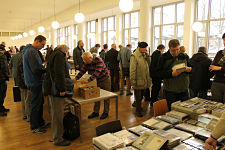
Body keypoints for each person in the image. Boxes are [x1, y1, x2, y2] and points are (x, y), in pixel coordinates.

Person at [44, 45, 71, 146]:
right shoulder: (59, 56)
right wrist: (62, 89)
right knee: (58, 115)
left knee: (56, 114)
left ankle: (57, 135)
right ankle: (58, 139)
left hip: (51, 88)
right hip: (56, 90)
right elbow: (59, 73)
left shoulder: (53, 54)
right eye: (67, 52)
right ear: (64, 51)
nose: (67, 54)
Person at [23, 35, 49, 133]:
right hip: (34, 81)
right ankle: (34, 126)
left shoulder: (31, 51)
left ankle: (40, 122)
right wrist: (46, 70)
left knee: (39, 102)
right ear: (37, 41)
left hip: (35, 81)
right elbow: (36, 69)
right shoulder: (31, 51)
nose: (42, 47)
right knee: (35, 104)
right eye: (42, 44)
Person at [75, 52, 111, 119]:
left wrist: (88, 80)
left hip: (105, 79)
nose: (85, 62)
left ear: (90, 58)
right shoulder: (87, 62)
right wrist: (76, 78)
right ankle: (96, 112)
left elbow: (97, 72)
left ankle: (106, 112)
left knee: (106, 97)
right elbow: (82, 71)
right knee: (96, 96)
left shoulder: (98, 60)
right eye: (84, 61)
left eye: (86, 60)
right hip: (96, 80)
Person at [157, 39, 192, 110]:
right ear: (169, 48)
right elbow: (158, 73)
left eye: (177, 49)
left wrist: (189, 69)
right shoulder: (163, 57)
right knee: (172, 111)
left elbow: (191, 68)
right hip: (170, 90)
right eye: (173, 50)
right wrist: (171, 74)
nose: (176, 52)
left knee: (185, 110)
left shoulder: (184, 56)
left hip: (184, 89)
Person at [130, 42, 151, 117]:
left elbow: (149, 64)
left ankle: (139, 107)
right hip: (138, 80)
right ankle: (138, 111)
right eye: (144, 48)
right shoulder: (134, 56)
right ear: (140, 48)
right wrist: (133, 80)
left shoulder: (144, 55)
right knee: (138, 97)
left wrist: (148, 56)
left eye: (146, 48)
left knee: (141, 96)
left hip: (144, 79)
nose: (146, 49)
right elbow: (132, 69)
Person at [209, 33, 225, 103]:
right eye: (224, 40)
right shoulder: (220, 53)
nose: (224, 43)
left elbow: (216, 67)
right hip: (217, 82)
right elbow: (213, 67)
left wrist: (219, 68)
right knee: (215, 105)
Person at [17, 45, 31, 121]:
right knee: (27, 100)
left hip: (21, 82)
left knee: (24, 99)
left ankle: (25, 114)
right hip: (24, 82)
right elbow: (23, 73)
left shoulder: (21, 57)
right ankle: (28, 116)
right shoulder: (24, 58)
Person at [0, 47, 9, 116]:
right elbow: (4, 68)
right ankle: (0, 110)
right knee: (2, 94)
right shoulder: (2, 57)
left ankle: (1, 107)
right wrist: (6, 76)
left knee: (2, 94)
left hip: (2, 78)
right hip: (2, 78)